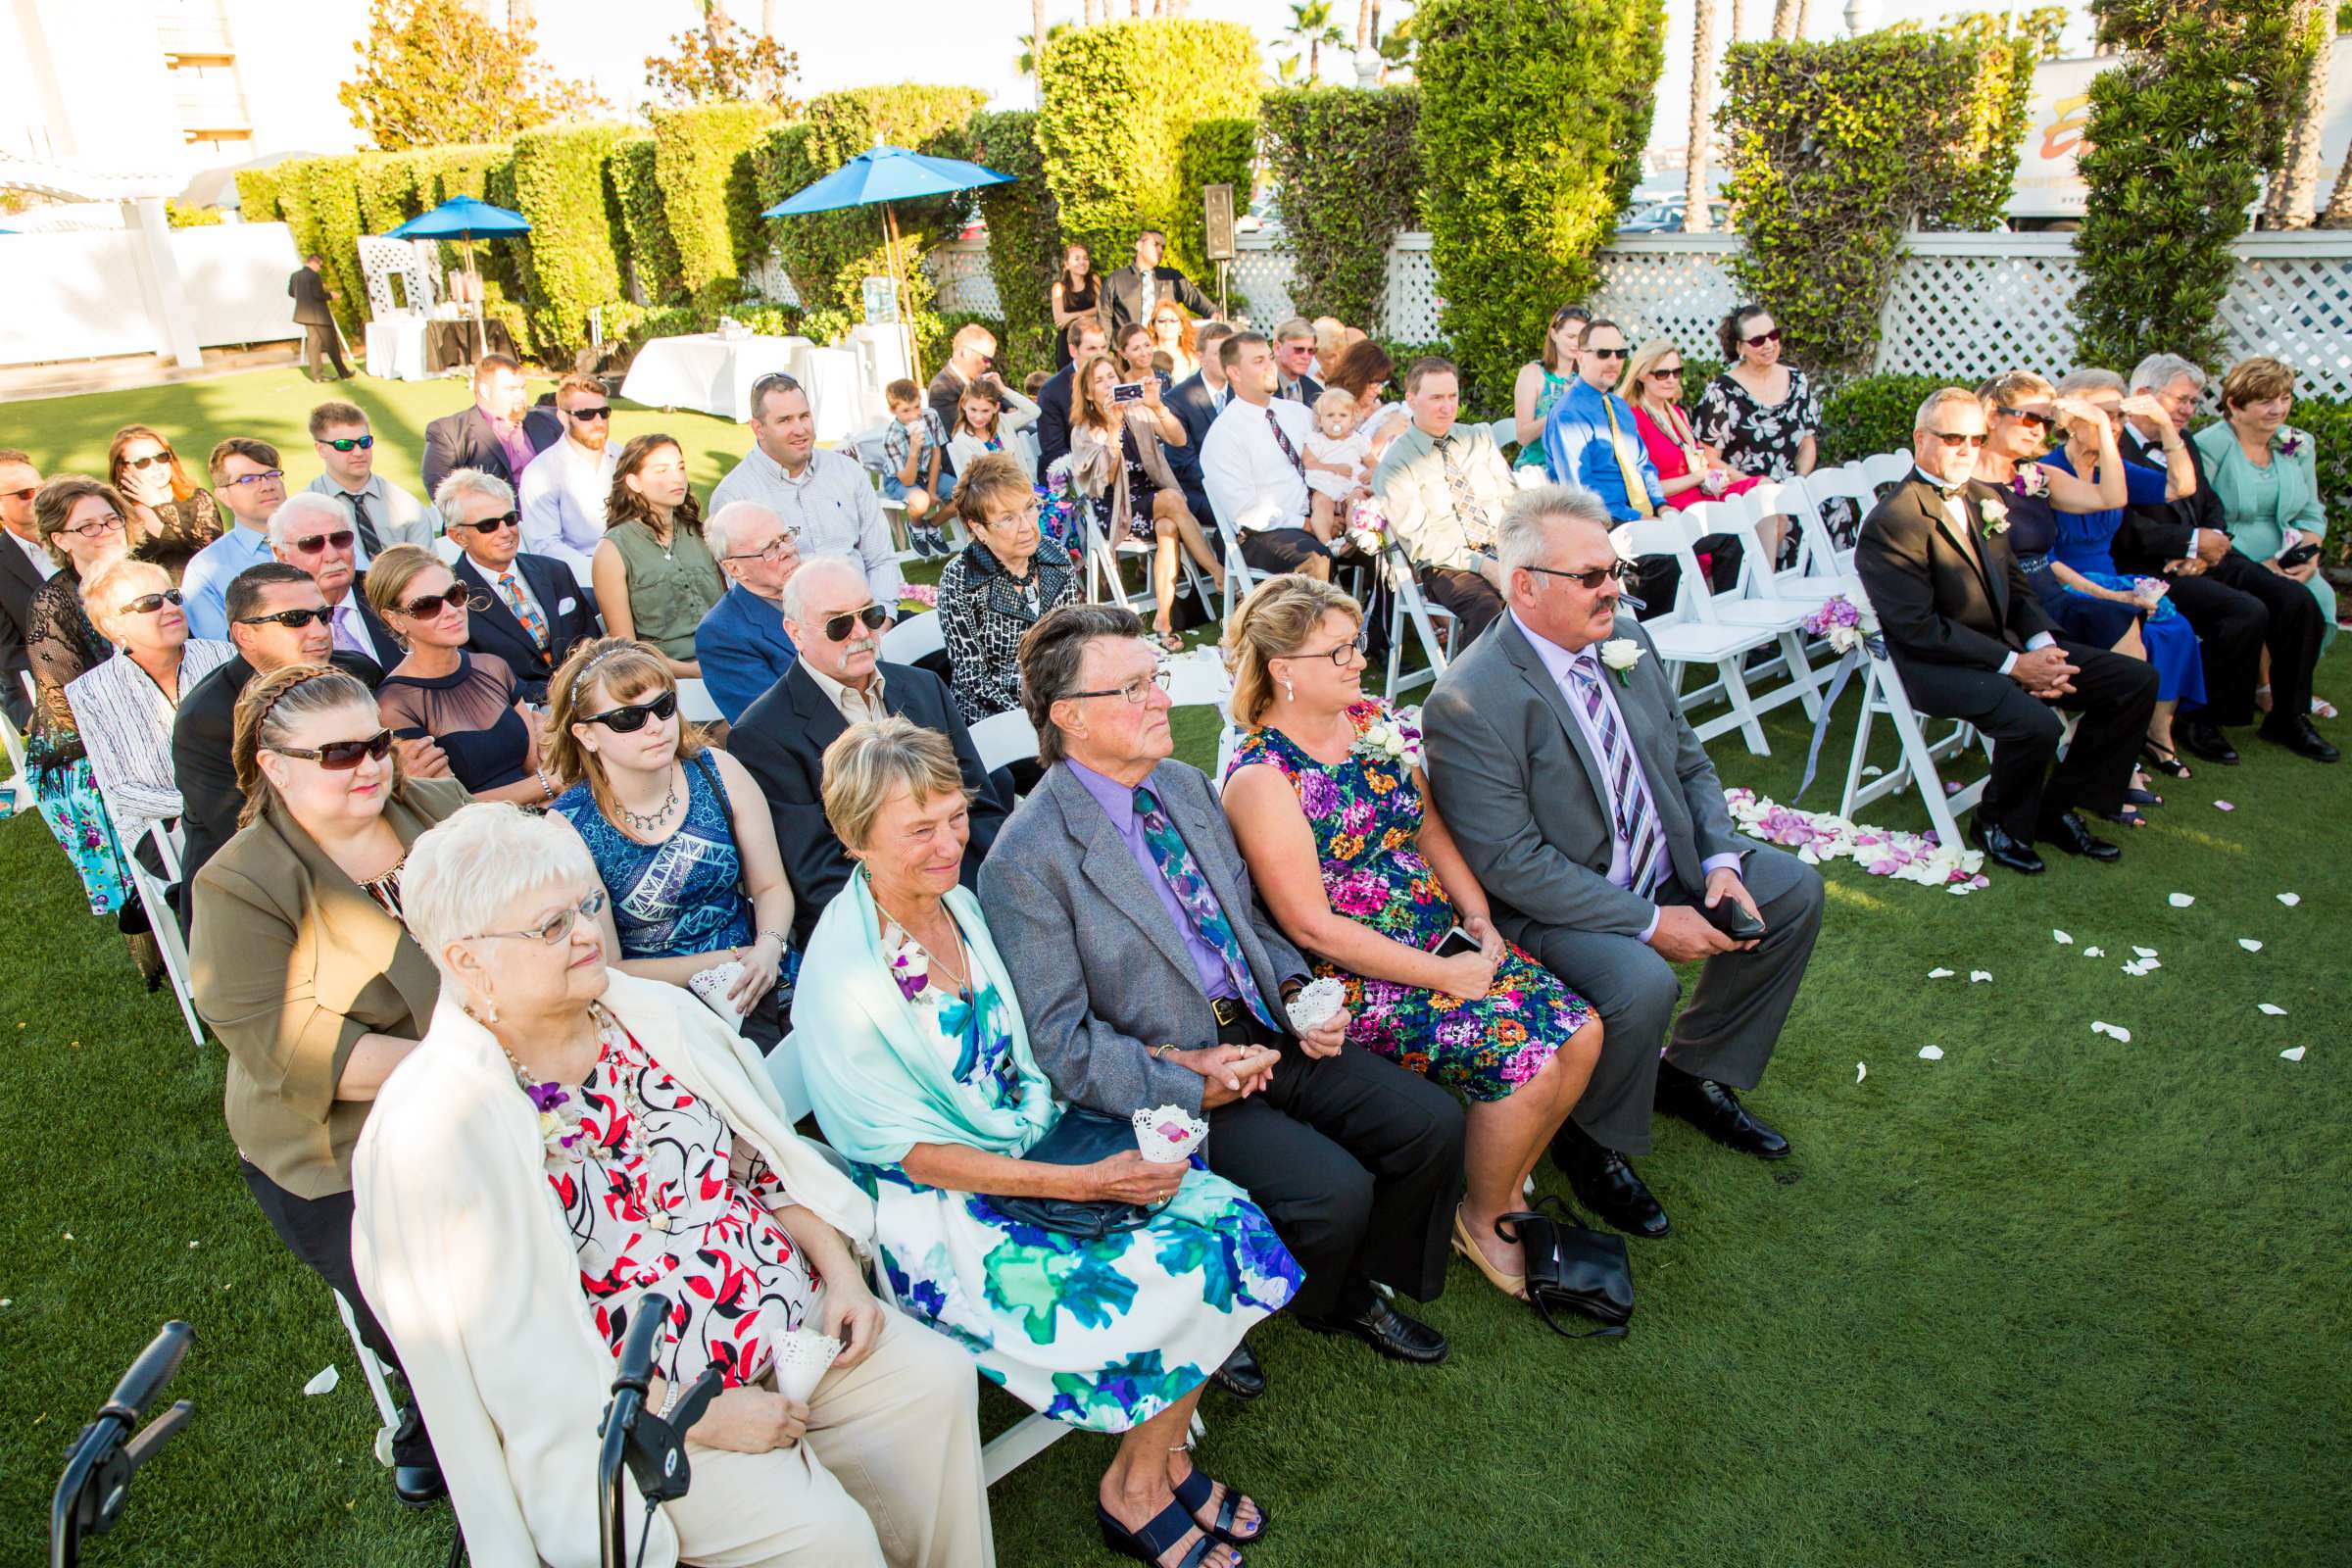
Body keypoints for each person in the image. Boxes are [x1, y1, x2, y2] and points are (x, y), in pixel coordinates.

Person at [355, 802, 991, 1568]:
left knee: (935, 1383)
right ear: (466, 961)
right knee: (827, 1540)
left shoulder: (649, 1016)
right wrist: (700, 1417)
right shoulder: (440, 1124)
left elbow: (763, 1161)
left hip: (795, 1321)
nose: (590, 932)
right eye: (550, 927)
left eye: (587, 906)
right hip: (643, 1415)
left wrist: (839, 1277)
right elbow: (518, 1363)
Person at [795, 719, 1292, 1568]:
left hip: (1043, 1141)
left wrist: (1171, 1068)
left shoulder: (960, 903)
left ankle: (1160, 1458)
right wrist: (1088, 1182)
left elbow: (1039, 1044)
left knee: (1233, 1220)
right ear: (853, 838)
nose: (952, 842)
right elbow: (904, 1156)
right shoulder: (844, 978)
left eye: (955, 816)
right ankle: (1135, 1490)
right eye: (920, 830)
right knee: (1174, 1267)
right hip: (947, 1207)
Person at [980, 604, 1465, 1373]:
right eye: (1134, 688)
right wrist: (1183, 1079)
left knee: (1432, 1126)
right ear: (1070, 717)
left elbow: (1251, 923)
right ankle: (1326, 1297)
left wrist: (1302, 995)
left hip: (1265, 1030)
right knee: (1332, 1192)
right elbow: (1063, 1045)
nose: (1162, 699)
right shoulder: (1025, 861)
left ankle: (1340, 1277)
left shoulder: (1183, 786)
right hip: (1176, 1070)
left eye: (1155, 679)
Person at [1422, 487, 1826, 1241]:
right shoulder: (1470, 699)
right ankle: (1592, 1140)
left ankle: (1693, 1070)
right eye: (1592, 576)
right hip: (1554, 906)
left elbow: (1689, 760)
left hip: (1663, 862)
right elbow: (1510, 863)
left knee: (1793, 889)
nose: (1614, 588)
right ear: (1525, 586)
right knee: (1641, 980)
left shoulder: (1624, 635)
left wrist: (1721, 861)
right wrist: (1648, 922)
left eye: (1617, 569)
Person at [1218, 577, 1601, 1297]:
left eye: (1353, 644)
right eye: (1335, 652)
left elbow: (1426, 826)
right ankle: (1481, 1216)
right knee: (1530, 1065)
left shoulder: (1371, 723)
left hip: (1442, 937)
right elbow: (1310, 926)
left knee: (1581, 1033)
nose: (1356, 661)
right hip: (1365, 976)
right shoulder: (1263, 777)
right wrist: (1444, 976)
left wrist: (1478, 915)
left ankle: (1505, 1180)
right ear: (1283, 670)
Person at [189, 662, 467, 1511]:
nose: (371, 765)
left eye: (377, 743)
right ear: (273, 766)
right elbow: (312, 1054)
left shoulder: (438, 810)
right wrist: (482, 1056)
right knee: (441, 1328)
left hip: (482, 1089)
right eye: (339, 754)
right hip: (339, 1146)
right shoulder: (237, 882)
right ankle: (436, 1406)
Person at [1852, 388, 2161, 875]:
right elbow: (1919, 629)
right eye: (1952, 437)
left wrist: (2045, 648)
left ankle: (2058, 807)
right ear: (1919, 438)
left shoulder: (1984, 497)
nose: (1965, 450)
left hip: (2007, 649)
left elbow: (2017, 587)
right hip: (1937, 665)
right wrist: (2018, 667)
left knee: (2133, 682)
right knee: (2034, 724)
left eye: (1974, 439)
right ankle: (1996, 822)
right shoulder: (1893, 521)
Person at [729, 555, 1011, 948]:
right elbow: (817, 874)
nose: (860, 632)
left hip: (967, 891)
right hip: (871, 929)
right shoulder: (764, 734)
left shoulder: (924, 687)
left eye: (871, 614)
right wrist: (931, 921)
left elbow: (980, 807)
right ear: (795, 633)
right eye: (839, 623)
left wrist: (976, 901)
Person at [544, 639, 801, 1044]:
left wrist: (769, 947)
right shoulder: (569, 828)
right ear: (586, 735)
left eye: (663, 707)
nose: (655, 726)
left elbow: (770, 886)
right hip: (661, 1006)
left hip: (764, 965)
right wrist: (725, 961)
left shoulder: (719, 771)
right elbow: (610, 966)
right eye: (628, 718)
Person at [2121, 353, 2333, 765]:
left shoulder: (2183, 441)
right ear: (2144, 396)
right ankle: (2200, 718)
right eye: (2180, 399)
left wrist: (2212, 539)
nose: (2187, 410)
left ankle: (2289, 717)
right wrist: (2189, 544)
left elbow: (2210, 501)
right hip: (2152, 569)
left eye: (2193, 402)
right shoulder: (2115, 445)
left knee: (2296, 601)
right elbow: (2124, 527)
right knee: (2244, 613)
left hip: (2207, 556)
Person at [172, 564, 400, 924]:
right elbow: (248, 829)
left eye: (322, 616)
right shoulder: (206, 720)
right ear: (244, 635)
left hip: (381, 848)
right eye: (296, 619)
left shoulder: (358, 672)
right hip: (259, 893)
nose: (320, 631)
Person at [2040, 370, 2212, 819]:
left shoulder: (2110, 466)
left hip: (2110, 574)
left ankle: (2155, 736)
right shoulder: (2046, 471)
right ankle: (2121, 759)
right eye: (2101, 415)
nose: (2112, 425)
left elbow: (2181, 487)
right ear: (2068, 418)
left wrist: (2167, 426)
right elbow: (2040, 554)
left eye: (2117, 416)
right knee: (2132, 626)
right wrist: (2110, 596)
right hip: (2064, 581)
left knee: (2173, 627)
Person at [2193, 355, 2341, 710]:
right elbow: (2200, 514)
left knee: (2321, 597)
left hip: (2284, 546)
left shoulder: (2297, 442)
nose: (2279, 409)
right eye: (2266, 401)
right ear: (2234, 404)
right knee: (2263, 599)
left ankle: (2291, 683)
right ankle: (2262, 686)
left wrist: (2309, 554)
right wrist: (2259, 568)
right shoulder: (2209, 444)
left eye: (2285, 398)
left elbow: (2309, 511)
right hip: (2229, 549)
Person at [25, 477, 142, 919]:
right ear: (60, 539)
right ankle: (141, 915)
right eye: (88, 527)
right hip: (81, 745)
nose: (106, 531)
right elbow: (65, 702)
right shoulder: (52, 603)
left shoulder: (146, 579)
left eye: (111, 520)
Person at [67, 556, 236, 858]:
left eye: (173, 597)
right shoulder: (90, 692)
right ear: (111, 624)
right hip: (162, 825)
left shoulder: (224, 657)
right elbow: (120, 790)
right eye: (149, 603)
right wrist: (204, 804)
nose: (171, 609)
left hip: (245, 805)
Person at [366, 545, 551, 805]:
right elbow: (450, 804)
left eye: (454, 594)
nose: (451, 611)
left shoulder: (493, 667)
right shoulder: (395, 704)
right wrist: (548, 784)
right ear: (396, 620)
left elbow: (533, 763)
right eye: (427, 605)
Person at [1068, 351, 1225, 650]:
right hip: (1115, 509)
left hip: (1152, 502)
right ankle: (1219, 573)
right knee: (1171, 500)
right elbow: (1106, 481)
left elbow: (1178, 439)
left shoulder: (1137, 412)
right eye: (1098, 381)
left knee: (1168, 525)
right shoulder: (1084, 431)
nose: (1107, 384)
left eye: (1111, 376)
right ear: (1088, 392)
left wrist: (1157, 406)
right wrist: (1113, 429)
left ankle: (1163, 621)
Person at [709, 373, 906, 609]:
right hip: (792, 632)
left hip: (867, 616)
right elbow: (746, 589)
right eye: (784, 420)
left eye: (804, 416)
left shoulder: (847, 472)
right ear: (758, 428)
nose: (800, 429)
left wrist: (881, 619)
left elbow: (881, 559)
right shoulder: (734, 497)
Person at [1371, 356, 1515, 641]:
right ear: (1411, 399)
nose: (1447, 406)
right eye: (1437, 397)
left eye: (1453, 396)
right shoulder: (1396, 465)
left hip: (1506, 548)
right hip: (1450, 566)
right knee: (1487, 607)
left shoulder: (1478, 438)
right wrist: (1482, 565)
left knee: (1561, 585)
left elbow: (1514, 502)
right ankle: (1474, 684)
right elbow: (1422, 543)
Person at [437, 468, 599, 707]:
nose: (506, 532)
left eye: (510, 519)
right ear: (458, 536)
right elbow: (476, 678)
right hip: (520, 710)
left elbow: (592, 640)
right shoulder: (450, 597)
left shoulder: (555, 571)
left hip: (590, 692)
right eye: (488, 525)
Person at [937, 452, 1078, 724]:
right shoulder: (961, 578)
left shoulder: (1055, 556)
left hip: (1062, 704)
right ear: (978, 528)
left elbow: (1074, 642)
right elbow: (973, 681)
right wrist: (1040, 718)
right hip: (995, 717)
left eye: (1029, 508)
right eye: (1008, 519)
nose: (1026, 527)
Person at [1199, 332, 1336, 582]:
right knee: (1316, 557)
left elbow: (1330, 455)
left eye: (1270, 358)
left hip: (1320, 515)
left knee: (1381, 543)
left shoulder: (1298, 414)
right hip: (1262, 534)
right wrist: (1305, 524)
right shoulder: (1225, 434)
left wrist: (1336, 511)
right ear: (1235, 373)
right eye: (1258, 360)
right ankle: (1314, 621)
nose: (1270, 366)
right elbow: (1247, 512)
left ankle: (1377, 620)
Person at [592, 434, 724, 678]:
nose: (677, 478)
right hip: (665, 677)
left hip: (728, 659)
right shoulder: (612, 550)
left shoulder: (700, 532)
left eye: (681, 467)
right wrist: (693, 671)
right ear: (634, 482)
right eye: (662, 471)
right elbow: (627, 649)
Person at [1692, 304, 1822, 496]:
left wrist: (1799, 482)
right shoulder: (1721, 392)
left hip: (1794, 491)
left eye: (1773, 335)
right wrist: (1758, 485)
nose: (1769, 345)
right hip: (1749, 495)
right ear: (1739, 347)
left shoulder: (1798, 381)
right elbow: (1710, 459)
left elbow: (1807, 442)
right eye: (1758, 340)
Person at [694, 501, 804, 725]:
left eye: (785, 537)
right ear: (735, 569)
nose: (788, 551)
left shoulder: (822, 588)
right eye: (769, 549)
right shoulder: (721, 635)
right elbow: (772, 725)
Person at [271, 492, 398, 677]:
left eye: (340, 539)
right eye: (312, 544)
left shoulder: (390, 593)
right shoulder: (274, 623)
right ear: (282, 555)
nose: (332, 556)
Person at [1622, 339, 1757, 510]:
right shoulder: (1632, 418)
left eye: (1677, 372)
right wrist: (1700, 476)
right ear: (1642, 375)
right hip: (1674, 507)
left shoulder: (1678, 414)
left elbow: (1696, 468)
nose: (1671, 379)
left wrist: (1709, 479)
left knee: (1764, 490)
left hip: (1701, 497)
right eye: (1662, 373)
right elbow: (1641, 488)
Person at [179, 438, 287, 640]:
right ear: (223, 495)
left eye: (272, 474)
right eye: (248, 480)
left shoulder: (326, 537)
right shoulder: (204, 571)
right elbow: (221, 648)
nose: (267, 486)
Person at [304, 401, 437, 564]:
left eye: (365, 442)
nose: (359, 452)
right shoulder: (305, 509)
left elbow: (427, 567)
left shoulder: (404, 505)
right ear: (320, 449)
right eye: (345, 445)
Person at [516, 372, 618, 567]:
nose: (598, 422)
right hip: (581, 576)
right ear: (563, 417)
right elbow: (546, 546)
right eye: (585, 414)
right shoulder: (541, 473)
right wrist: (601, 571)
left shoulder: (624, 457)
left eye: (604, 413)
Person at [421, 354, 552, 496]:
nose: (521, 395)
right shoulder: (449, 433)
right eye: (511, 389)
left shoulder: (548, 420)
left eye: (522, 388)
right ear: (485, 391)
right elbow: (442, 494)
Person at [1163, 320, 1238, 532]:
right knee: (1243, 513)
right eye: (1218, 354)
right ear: (1200, 357)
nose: (1226, 360)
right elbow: (1184, 464)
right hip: (1198, 491)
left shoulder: (1241, 391)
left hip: (1239, 485)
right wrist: (1227, 485)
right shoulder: (1178, 400)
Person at [109, 424, 220, 563]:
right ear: (123, 469)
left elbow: (213, 554)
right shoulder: (116, 510)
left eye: (161, 457)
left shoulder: (198, 499)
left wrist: (160, 505)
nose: (156, 467)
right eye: (142, 462)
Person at [0, 447, 49, 730]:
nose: (37, 499)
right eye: (24, 494)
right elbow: (8, 656)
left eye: (41, 489)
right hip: (34, 684)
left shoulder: (75, 538)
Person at [881, 378, 954, 560]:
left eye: (916, 407)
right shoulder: (892, 438)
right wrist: (913, 450)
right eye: (906, 410)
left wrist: (931, 489)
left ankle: (933, 525)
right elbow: (907, 480)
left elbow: (936, 453)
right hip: (899, 479)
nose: (914, 415)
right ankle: (915, 526)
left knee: (965, 495)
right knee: (921, 501)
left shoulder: (930, 416)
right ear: (893, 411)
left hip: (928, 473)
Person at [1099, 228, 1217, 337]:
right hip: (1128, 351)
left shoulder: (1171, 278)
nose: (1160, 250)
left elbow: (1195, 297)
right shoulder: (1117, 279)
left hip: (1163, 350)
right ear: (1139, 246)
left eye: (1163, 247)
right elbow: (1104, 316)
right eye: (1155, 244)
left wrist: (1213, 312)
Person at [1513, 304, 1589, 470]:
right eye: (1571, 336)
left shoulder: (1585, 379)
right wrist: (1562, 408)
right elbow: (1523, 437)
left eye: (1581, 338)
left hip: (1576, 469)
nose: (1576, 344)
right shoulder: (1532, 373)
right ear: (1554, 334)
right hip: (1537, 469)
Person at [1035, 318, 1110, 484]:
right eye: (1092, 348)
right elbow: (1054, 451)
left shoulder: (1114, 379)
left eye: (1103, 347)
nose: (1100, 355)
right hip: (1075, 477)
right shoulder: (1052, 392)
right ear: (1073, 350)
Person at [1322, 340, 1410, 466]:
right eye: (1375, 383)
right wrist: (1383, 433)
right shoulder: (1330, 410)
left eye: (1382, 383)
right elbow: (1345, 464)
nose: (1379, 390)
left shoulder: (1388, 412)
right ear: (1356, 376)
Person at [1302, 387, 1373, 546]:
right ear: (1320, 420)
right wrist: (1335, 468)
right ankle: (1327, 542)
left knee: (1358, 499)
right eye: (1330, 415)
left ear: (1352, 420)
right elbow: (1309, 463)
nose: (1336, 420)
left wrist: (1371, 471)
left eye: (1343, 415)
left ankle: (1352, 534)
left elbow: (1373, 462)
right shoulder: (1316, 440)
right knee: (1321, 502)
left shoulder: (1357, 440)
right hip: (1327, 484)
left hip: (1351, 483)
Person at [944, 373, 1043, 482]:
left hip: (1025, 486)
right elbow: (978, 482)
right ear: (963, 405)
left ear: (996, 408)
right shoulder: (962, 439)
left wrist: (1003, 389)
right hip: (993, 494)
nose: (978, 417)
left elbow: (1034, 411)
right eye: (973, 409)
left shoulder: (1002, 422)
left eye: (985, 411)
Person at [925, 323, 998, 457]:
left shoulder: (977, 379)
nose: (989, 365)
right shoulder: (941, 388)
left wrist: (1007, 403)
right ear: (965, 352)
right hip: (964, 460)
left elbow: (1000, 401)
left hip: (989, 448)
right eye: (986, 359)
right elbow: (969, 429)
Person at [288, 253, 349, 381]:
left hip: (304, 315)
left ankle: (317, 376)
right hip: (319, 315)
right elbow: (318, 295)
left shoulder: (295, 276)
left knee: (313, 344)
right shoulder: (314, 276)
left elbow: (291, 293)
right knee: (331, 344)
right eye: (320, 265)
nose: (320, 268)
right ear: (314, 263)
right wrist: (331, 295)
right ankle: (343, 372)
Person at [1051, 241, 1100, 368]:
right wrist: (1089, 317)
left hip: (1092, 341)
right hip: (1068, 343)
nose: (1082, 262)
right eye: (1076, 259)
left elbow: (1100, 308)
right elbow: (1061, 322)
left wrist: (1074, 316)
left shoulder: (1093, 280)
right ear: (1067, 264)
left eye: (1085, 258)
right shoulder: (1059, 288)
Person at [1270, 318, 1324, 407]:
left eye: (1311, 350)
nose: (1306, 357)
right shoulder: (1257, 387)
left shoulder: (1316, 392)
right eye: (1299, 349)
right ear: (1277, 348)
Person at [1148, 299, 1200, 381]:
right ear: (1153, 326)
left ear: (1181, 327)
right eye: (1161, 321)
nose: (1167, 325)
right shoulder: (1146, 356)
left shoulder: (1193, 358)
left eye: (1173, 321)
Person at [1111, 320, 1166, 389]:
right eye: (1136, 348)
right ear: (1123, 353)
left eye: (1147, 345)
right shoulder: (1119, 385)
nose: (1144, 353)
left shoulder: (1165, 378)